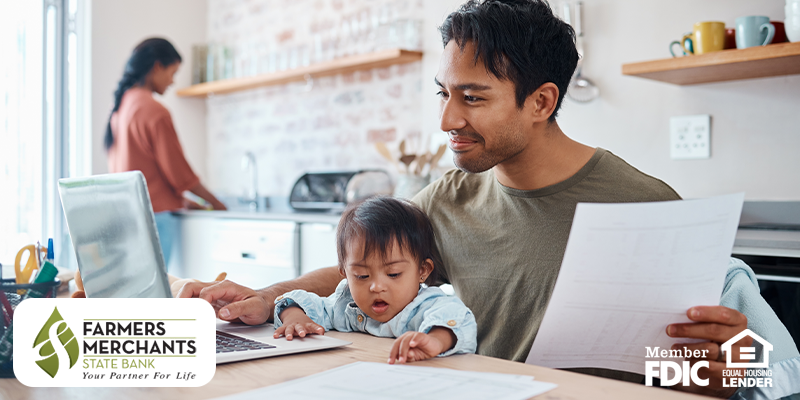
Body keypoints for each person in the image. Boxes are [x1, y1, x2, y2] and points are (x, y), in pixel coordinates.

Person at [179, 1, 799, 398]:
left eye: (472, 98)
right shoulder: (450, 197)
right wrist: (266, 298)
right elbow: (364, 267)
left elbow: (773, 372)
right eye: (443, 93)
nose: (448, 117)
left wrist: (735, 369)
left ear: (542, 102)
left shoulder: (647, 205)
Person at [272, 196, 476, 364]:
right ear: (345, 273)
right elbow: (299, 302)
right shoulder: (347, 305)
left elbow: (457, 319)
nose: (376, 287)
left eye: (393, 274)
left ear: (422, 270)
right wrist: (294, 318)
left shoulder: (427, 305)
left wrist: (434, 341)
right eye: (361, 276)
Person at [106, 38, 226, 266]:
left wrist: (182, 200)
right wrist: (218, 204)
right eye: (173, 72)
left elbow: (142, 171)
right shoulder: (154, 110)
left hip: (127, 215)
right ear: (157, 66)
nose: (172, 81)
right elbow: (180, 175)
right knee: (158, 295)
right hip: (155, 218)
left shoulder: (121, 108)